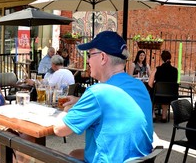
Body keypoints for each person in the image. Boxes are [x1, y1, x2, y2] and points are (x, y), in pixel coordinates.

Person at [53, 31, 153, 162]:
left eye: (89, 55)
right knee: (73, 154)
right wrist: (79, 101)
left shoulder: (98, 92)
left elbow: (59, 130)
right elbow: (115, 103)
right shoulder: (139, 86)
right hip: (138, 159)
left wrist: (65, 111)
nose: (88, 60)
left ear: (103, 57)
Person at [148, 50, 178, 122]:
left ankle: (153, 115)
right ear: (170, 58)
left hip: (157, 95)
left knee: (151, 93)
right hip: (171, 95)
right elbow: (174, 82)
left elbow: (150, 83)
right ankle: (164, 116)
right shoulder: (175, 70)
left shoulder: (157, 69)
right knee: (165, 95)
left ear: (162, 59)